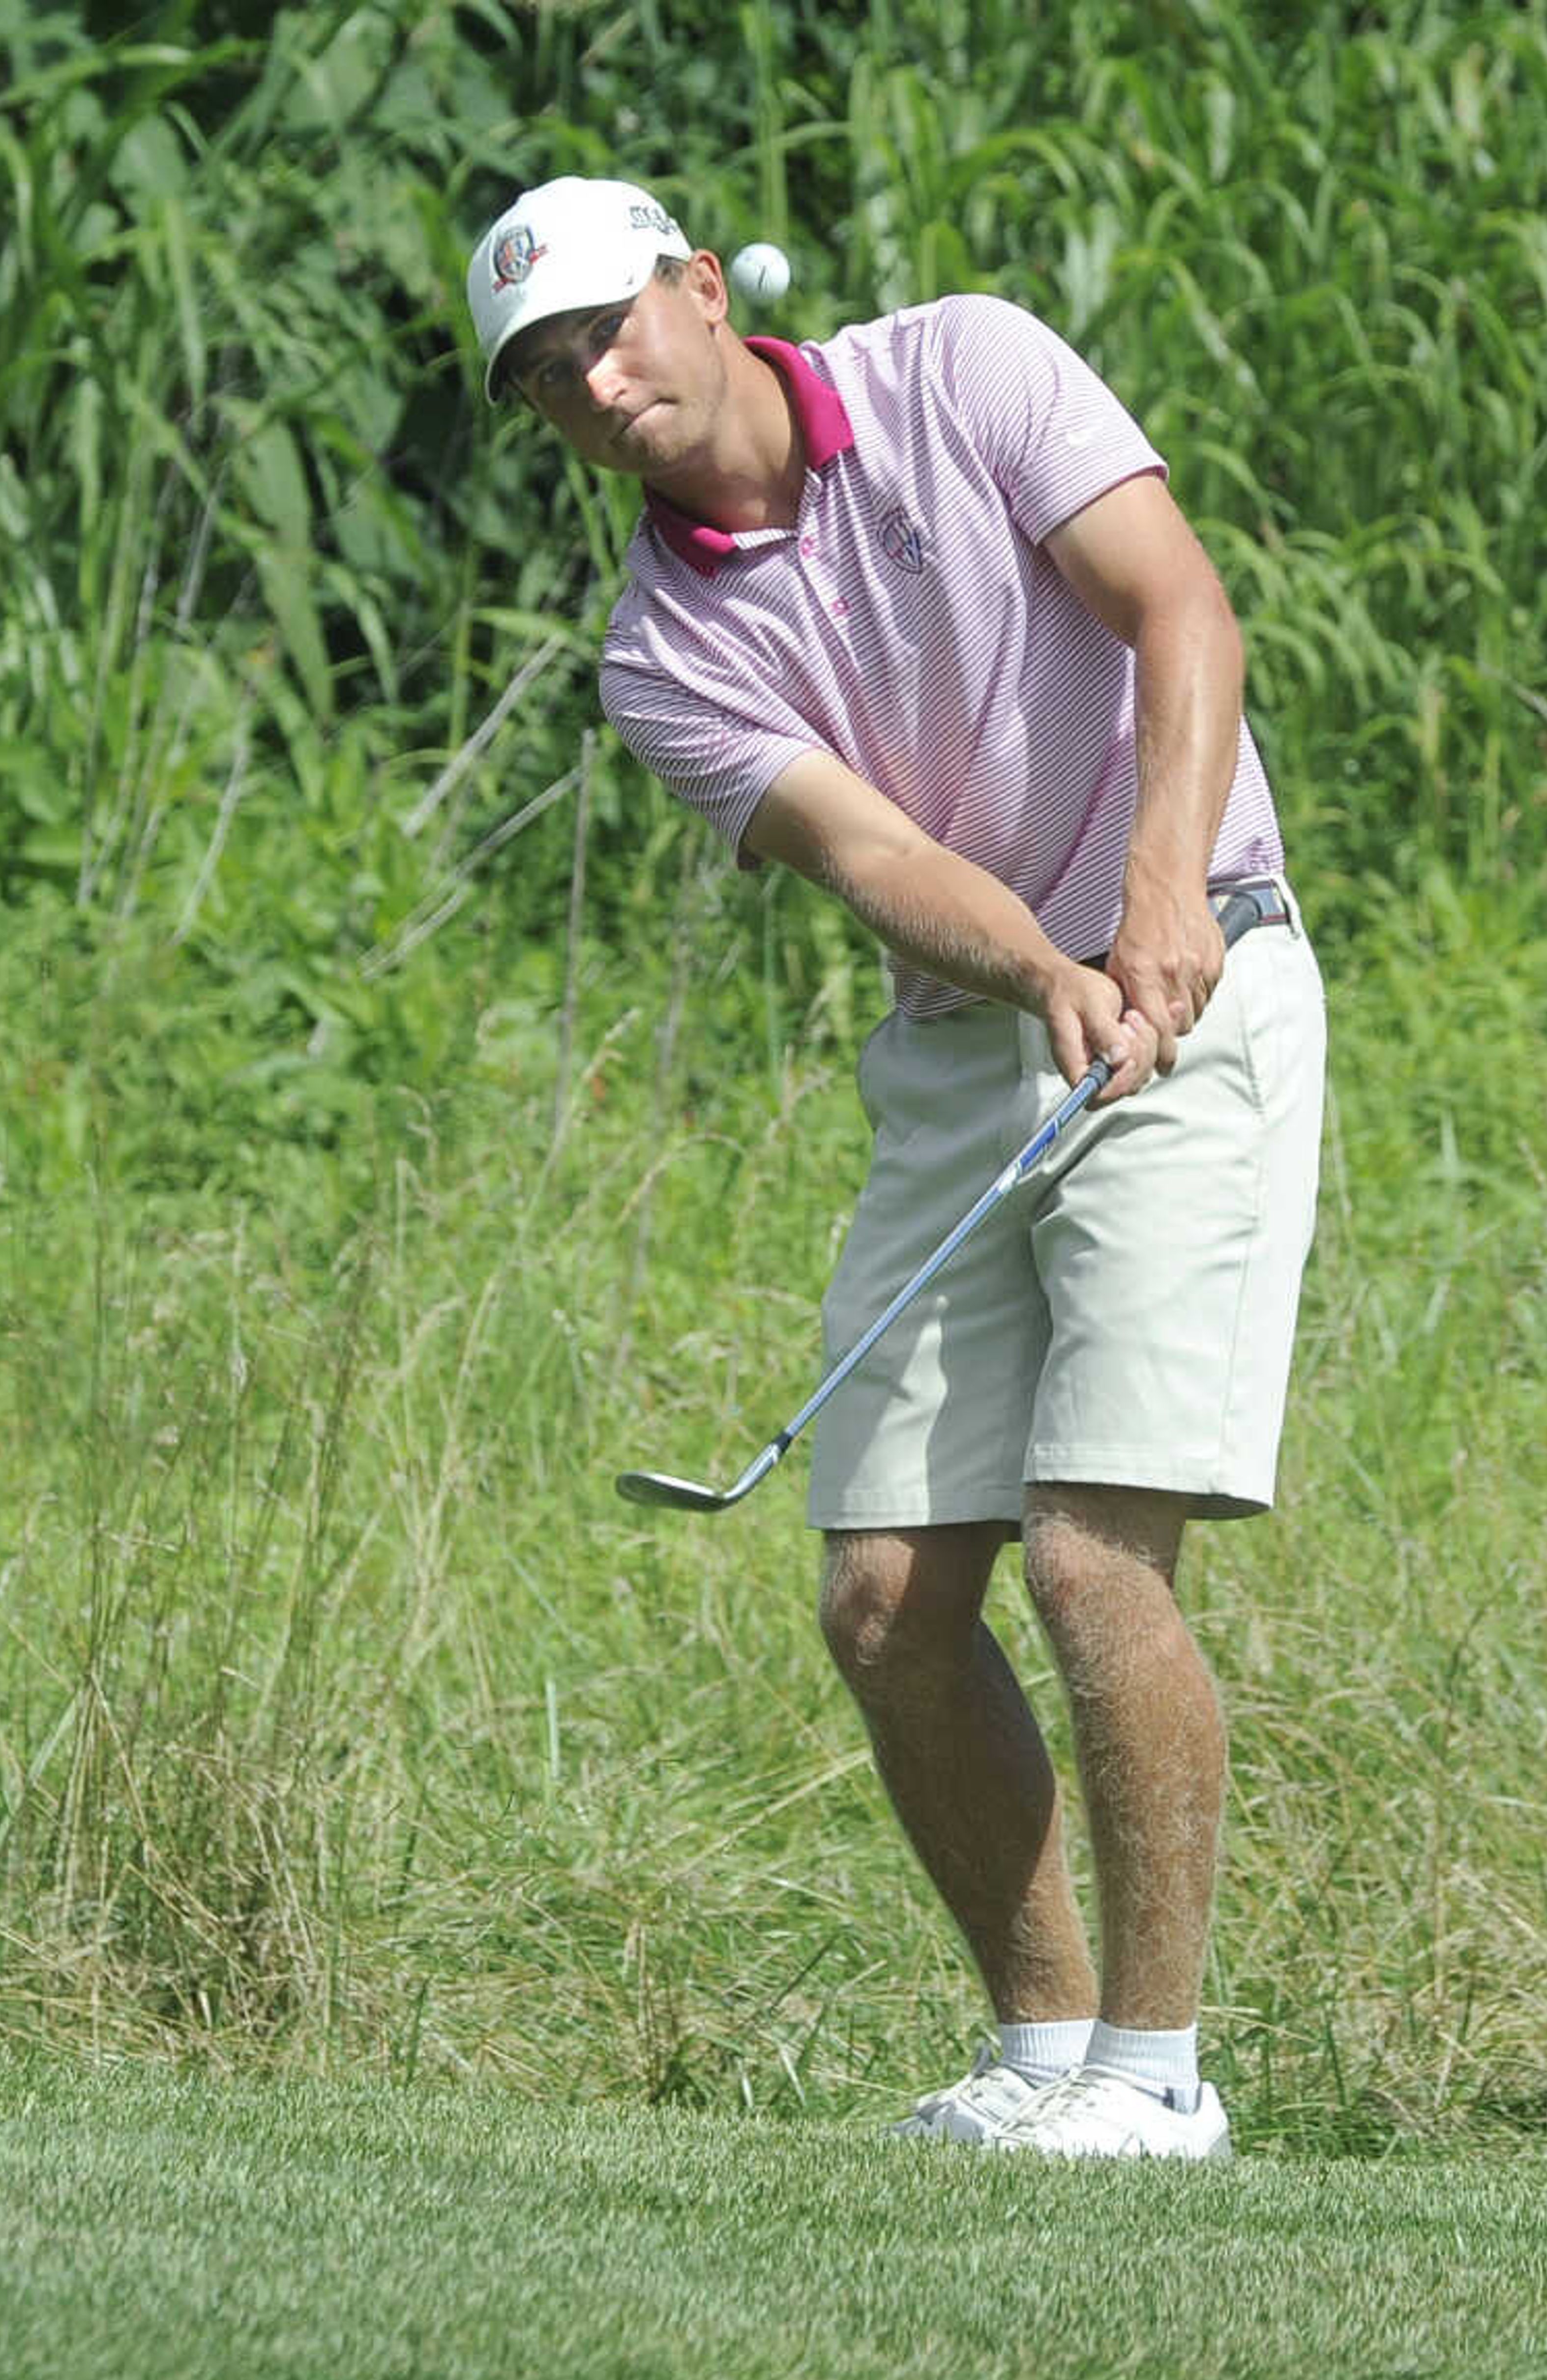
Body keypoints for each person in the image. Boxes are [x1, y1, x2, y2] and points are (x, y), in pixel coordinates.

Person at [467, 176, 1327, 2161]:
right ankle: (1045, 2054)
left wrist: (1154, 897)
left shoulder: (967, 367)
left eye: (609, 329)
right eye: (545, 382)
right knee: (884, 1595)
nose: (595, 387)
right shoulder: (657, 658)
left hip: (1203, 974)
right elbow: (872, 856)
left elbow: (1183, 606)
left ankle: (1158, 2074)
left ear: (702, 288)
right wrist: (1044, 965)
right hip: (981, 1034)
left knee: (1100, 1547)